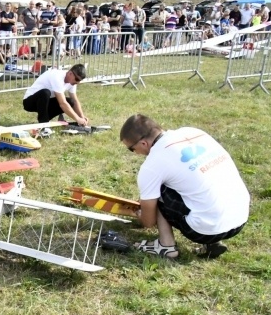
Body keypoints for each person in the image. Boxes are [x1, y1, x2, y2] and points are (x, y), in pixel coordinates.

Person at [119, 114, 249, 259]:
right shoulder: (193, 132)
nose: (134, 153)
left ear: (144, 143)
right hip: (240, 218)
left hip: (205, 231)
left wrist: (142, 214)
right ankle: (213, 243)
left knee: (159, 190)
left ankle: (166, 246)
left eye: (131, 149)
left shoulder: (152, 165)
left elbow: (148, 222)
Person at [22, 64, 89, 126]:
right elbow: (62, 103)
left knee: (71, 102)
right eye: (77, 79)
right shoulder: (57, 76)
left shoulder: (72, 82)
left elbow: (75, 100)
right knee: (45, 93)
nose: (78, 82)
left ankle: (45, 118)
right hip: (29, 102)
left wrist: (82, 117)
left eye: (80, 80)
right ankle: (43, 124)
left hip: (45, 102)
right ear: (70, 73)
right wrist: (77, 119)